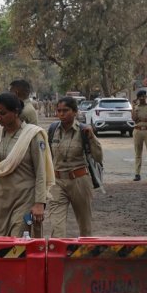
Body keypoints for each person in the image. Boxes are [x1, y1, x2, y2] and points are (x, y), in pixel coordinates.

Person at [0, 92, 54, 237]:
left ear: (16, 112)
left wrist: (39, 203)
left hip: (23, 200)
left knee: (19, 242)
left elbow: (41, 172)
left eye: (3, 113)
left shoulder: (33, 135)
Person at [46, 96, 102, 237]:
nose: (61, 114)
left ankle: (85, 254)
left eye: (66, 110)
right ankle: (59, 256)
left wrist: (91, 137)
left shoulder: (84, 131)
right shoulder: (52, 130)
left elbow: (98, 157)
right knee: (56, 226)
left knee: (85, 225)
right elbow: (46, 156)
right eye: (59, 110)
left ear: (75, 112)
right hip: (57, 182)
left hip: (79, 181)